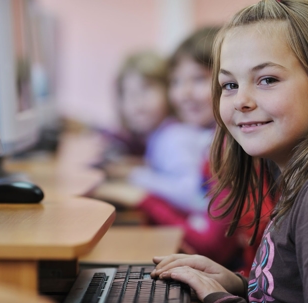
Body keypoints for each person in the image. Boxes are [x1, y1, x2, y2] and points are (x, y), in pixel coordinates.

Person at [150, 0, 308, 302]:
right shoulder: (297, 177)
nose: (241, 101)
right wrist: (239, 284)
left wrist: (218, 299)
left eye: (267, 80)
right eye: (229, 85)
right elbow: (294, 290)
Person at [93, 27, 244, 268]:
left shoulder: (226, 149)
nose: (183, 93)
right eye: (175, 81)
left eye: (198, 79)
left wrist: (142, 196)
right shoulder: (213, 142)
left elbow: (211, 244)